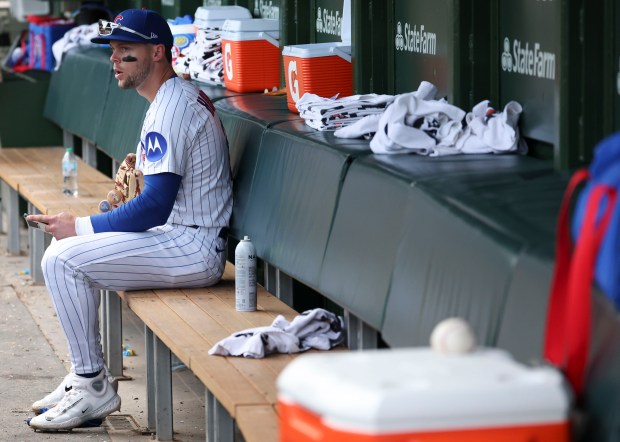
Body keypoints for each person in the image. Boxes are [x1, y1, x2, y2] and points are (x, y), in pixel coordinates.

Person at [26, 9, 233, 431]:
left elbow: (155, 206)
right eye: (113, 49)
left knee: (62, 258)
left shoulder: (170, 108)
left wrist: (80, 225)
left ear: (157, 52)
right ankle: (86, 376)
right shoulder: (170, 97)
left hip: (191, 247)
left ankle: (92, 385)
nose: (115, 58)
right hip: (182, 234)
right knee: (62, 254)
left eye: (127, 50)